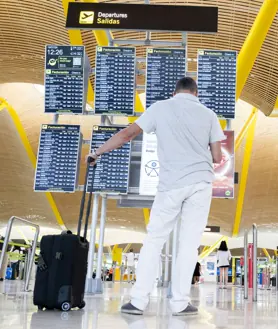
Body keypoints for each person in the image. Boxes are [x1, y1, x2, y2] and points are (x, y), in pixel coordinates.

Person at [87, 77, 224, 316]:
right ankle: (180, 303)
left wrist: (97, 152)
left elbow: (127, 134)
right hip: (201, 183)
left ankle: (139, 301)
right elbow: (216, 156)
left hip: (171, 183)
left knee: (154, 240)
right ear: (196, 92)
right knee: (189, 244)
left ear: (175, 92)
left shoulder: (160, 107)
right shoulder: (209, 114)